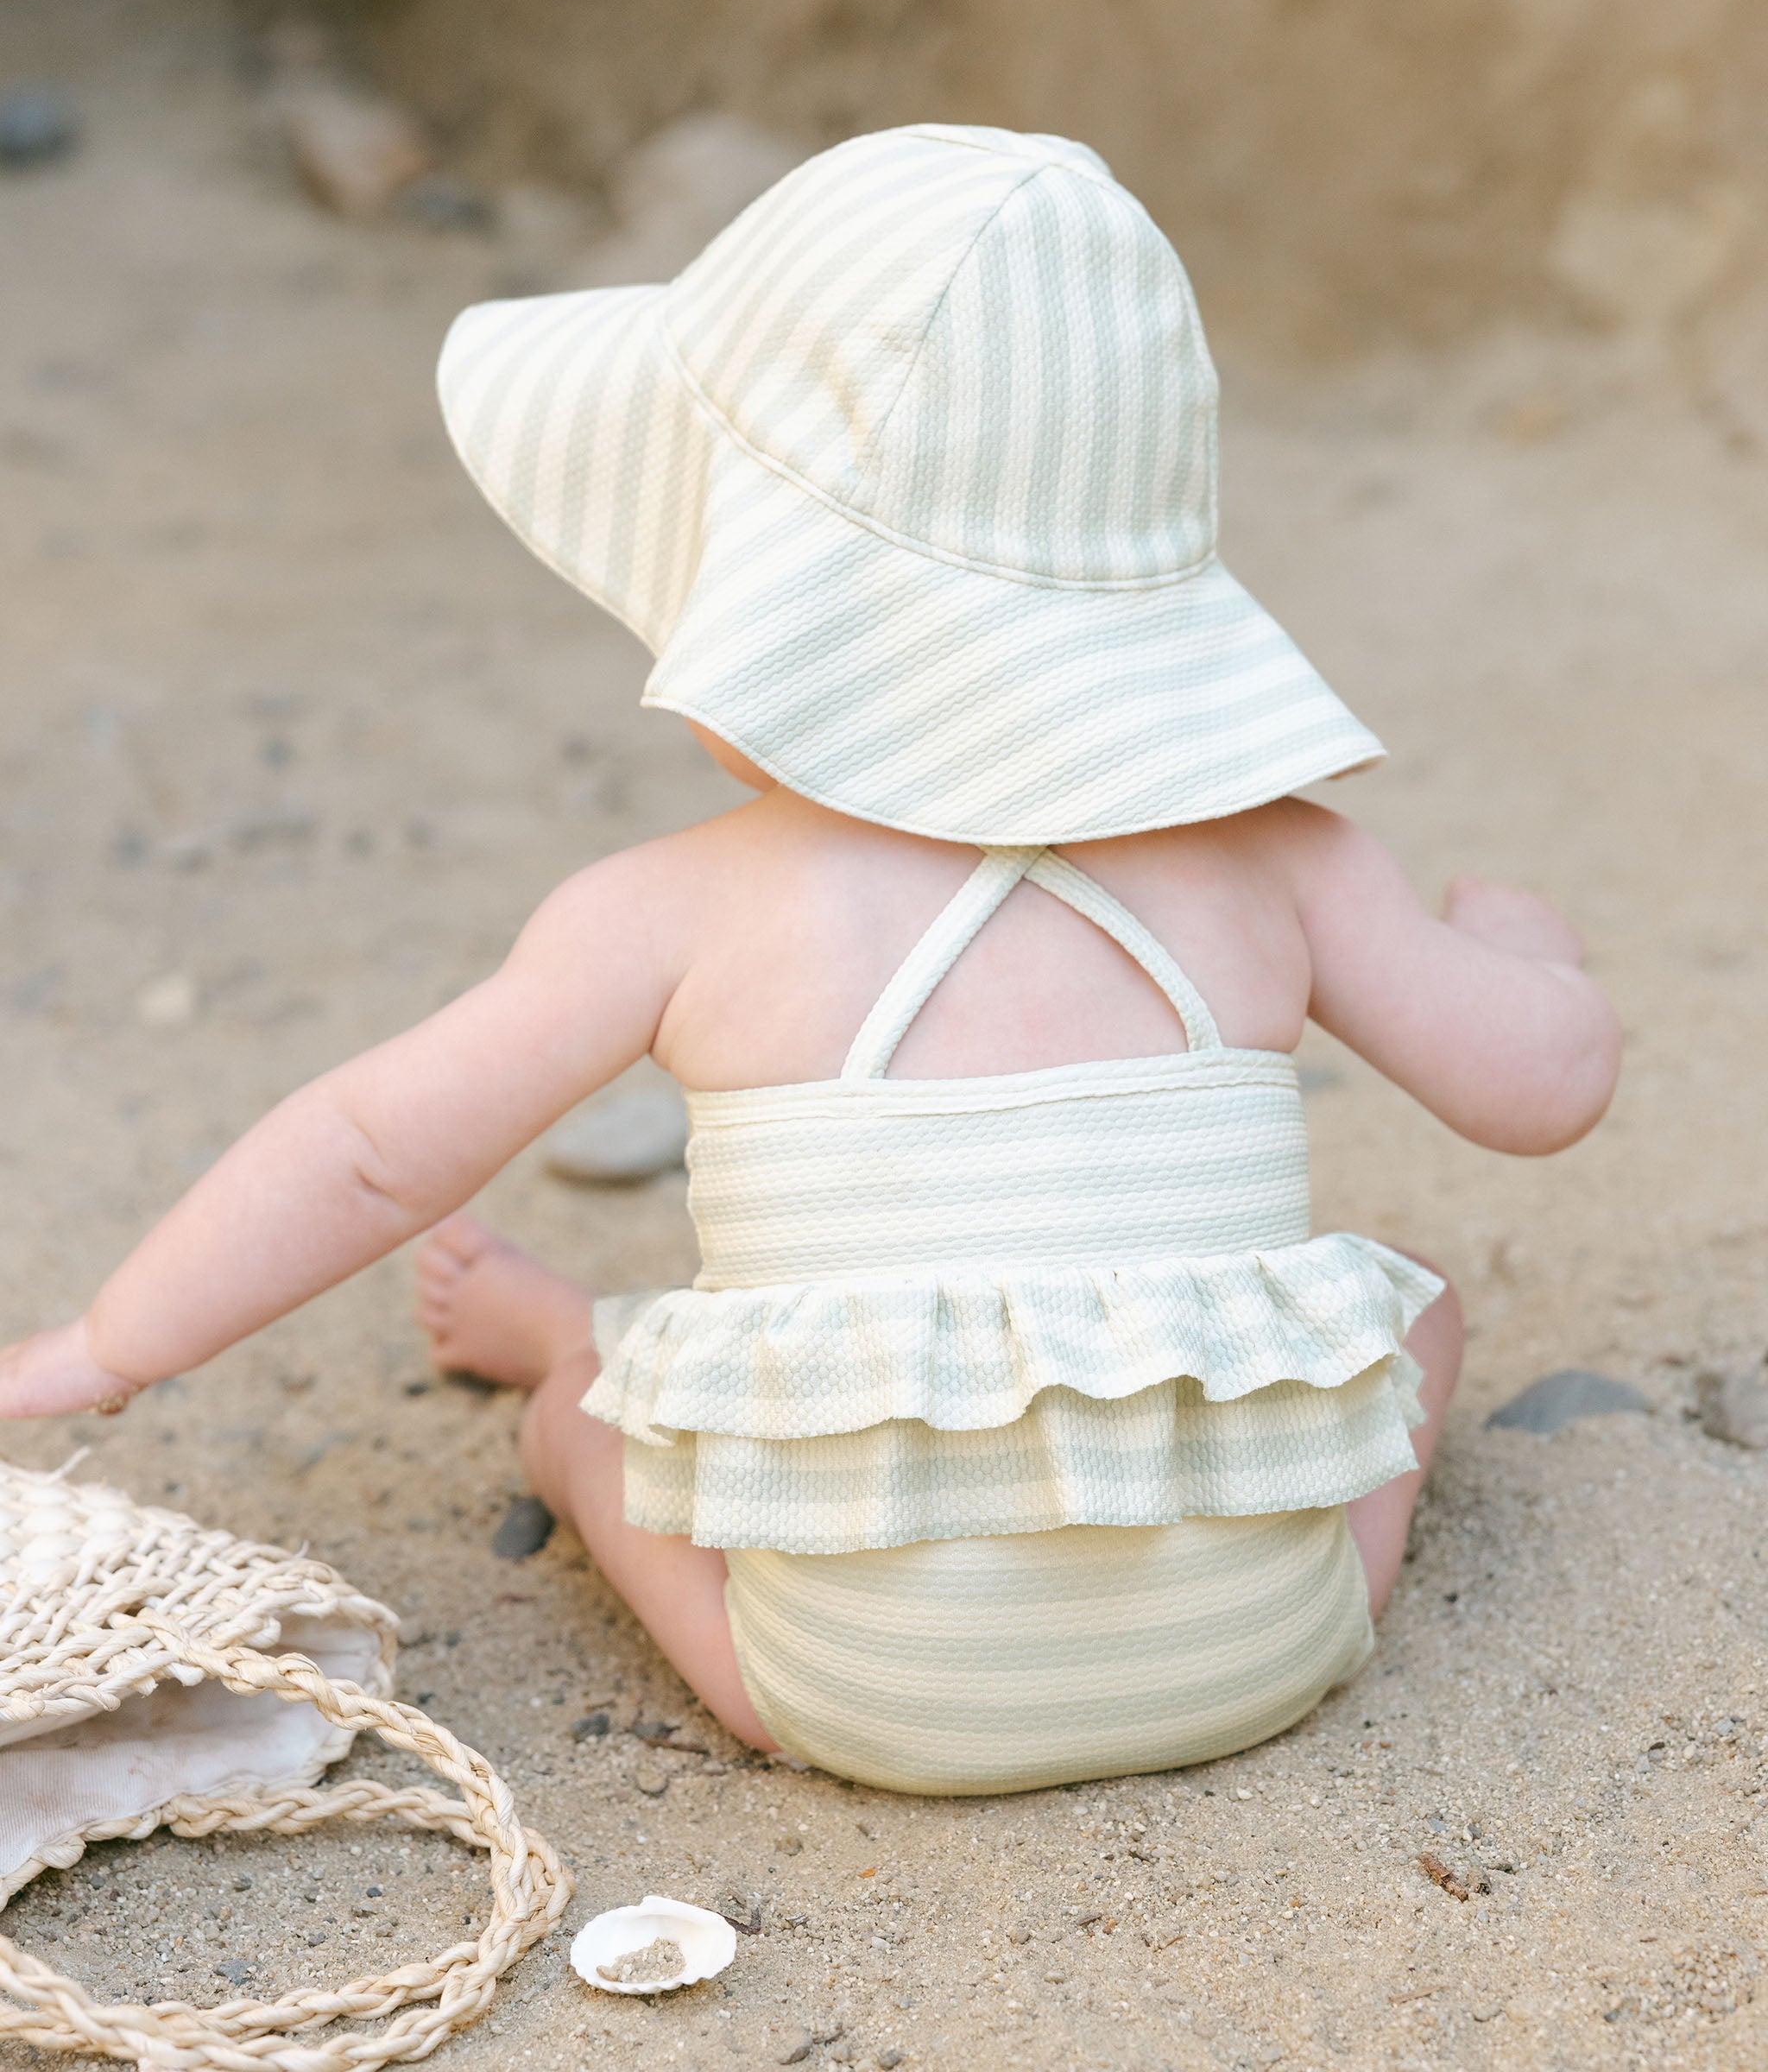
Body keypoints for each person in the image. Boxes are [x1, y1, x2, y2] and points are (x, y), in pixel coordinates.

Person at [0, 126, 1620, 1795]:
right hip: (1273, 1651)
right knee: (1405, 1310)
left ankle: (570, 1344)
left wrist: (112, 1344)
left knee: (590, 1420)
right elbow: (1542, 1087)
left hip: (857, 1702)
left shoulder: (674, 909)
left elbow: (359, 1151)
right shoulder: (1283, 860)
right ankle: (1216, 1592)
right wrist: (1518, 950)